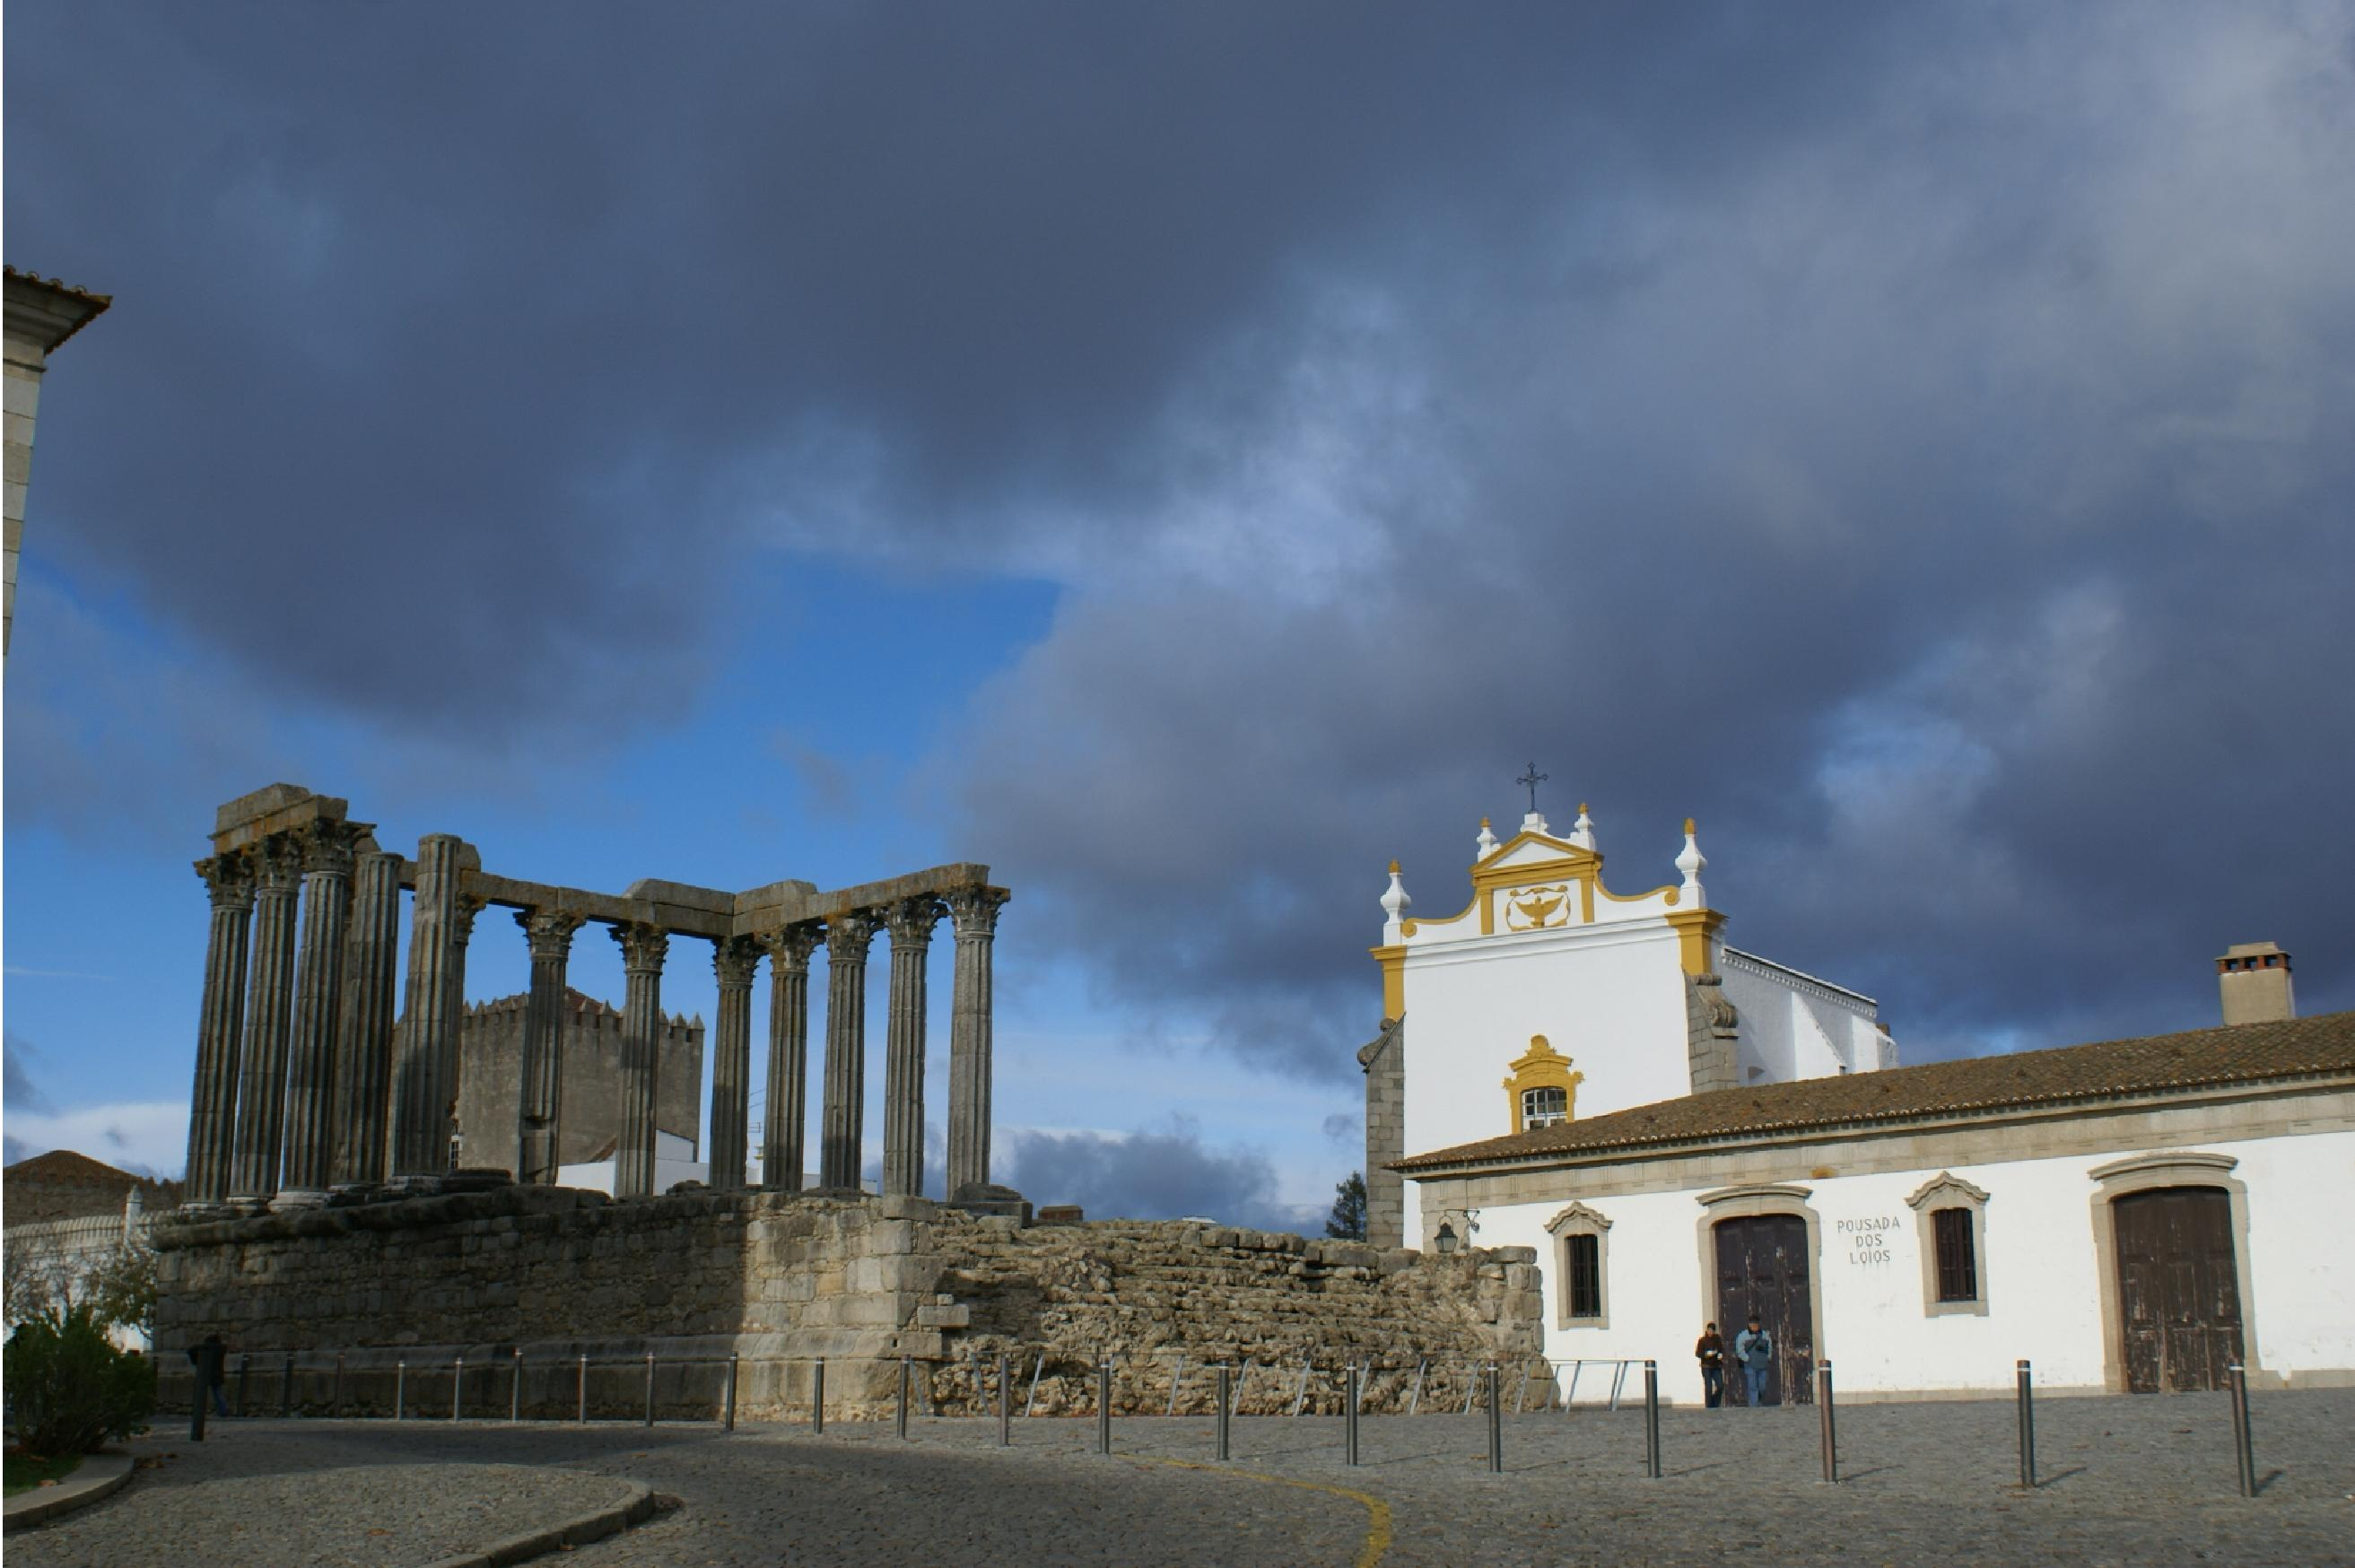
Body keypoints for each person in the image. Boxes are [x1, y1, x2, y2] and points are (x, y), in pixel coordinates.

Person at [1732, 1314, 1774, 1407]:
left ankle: (1757, 1400)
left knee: (1762, 1386)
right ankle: (1754, 1405)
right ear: (1749, 1325)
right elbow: (1739, 1349)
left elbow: (1769, 1347)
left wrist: (1769, 1357)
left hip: (1763, 1364)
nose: (1755, 1327)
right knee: (1752, 1385)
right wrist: (1746, 1358)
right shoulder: (1743, 1336)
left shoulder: (1765, 1335)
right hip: (1750, 1365)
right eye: (1753, 1325)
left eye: (1756, 1324)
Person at [188, 1332, 231, 1416]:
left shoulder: (206, 1348)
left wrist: (196, 1362)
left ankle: (199, 1411)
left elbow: (190, 1350)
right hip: (217, 1374)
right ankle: (223, 1411)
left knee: (202, 1393)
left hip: (206, 1373)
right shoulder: (221, 1349)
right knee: (217, 1393)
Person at [1695, 1321, 1725, 1408]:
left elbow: (1721, 1350)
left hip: (1716, 1366)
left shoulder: (1718, 1339)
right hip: (1706, 1366)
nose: (1710, 1332)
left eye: (1712, 1330)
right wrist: (1707, 1354)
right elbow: (1698, 1353)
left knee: (1720, 1386)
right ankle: (1709, 1406)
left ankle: (1715, 1404)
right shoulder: (1702, 1340)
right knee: (1708, 1387)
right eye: (1709, 1330)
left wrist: (1719, 1355)